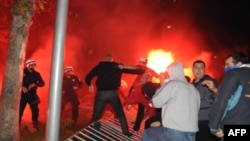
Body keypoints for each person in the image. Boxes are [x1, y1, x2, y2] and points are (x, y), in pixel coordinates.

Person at [84, 54, 144, 137]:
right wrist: (141, 69)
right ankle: (126, 132)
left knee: (96, 115)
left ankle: (94, 135)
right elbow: (134, 71)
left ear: (104, 59)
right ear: (112, 60)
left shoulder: (98, 67)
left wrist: (90, 85)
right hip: (113, 93)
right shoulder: (116, 67)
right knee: (120, 113)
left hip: (101, 93)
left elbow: (87, 78)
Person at [142, 62, 200, 141]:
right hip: (191, 133)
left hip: (174, 131)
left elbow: (156, 102)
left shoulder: (173, 85)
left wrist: (162, 82)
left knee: (148, 134)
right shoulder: (194, 89)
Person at [204, 52, 250, 139]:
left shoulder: (235, 73)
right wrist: (215, 90)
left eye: (227, 64)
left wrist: (214, 127)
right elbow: (238, 96)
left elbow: (223, 99)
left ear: (239, 64)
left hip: (234, 125)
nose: (225, 68)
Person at [124, 57, 160, 132]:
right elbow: (159, 77)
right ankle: (136, 127)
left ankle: (129, 105)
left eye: (140, 62)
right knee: (141, 109)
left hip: (138, 90)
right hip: (145, 92)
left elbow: (132, 67)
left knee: (126, 102)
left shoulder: (141, 67)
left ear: (142, 62)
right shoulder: (151, 70)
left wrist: (123, 66)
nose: (139, 63)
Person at [192, 60, 220, 141]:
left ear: (204, 70)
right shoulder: (191, 84)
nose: (198, 70)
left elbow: (213, 99)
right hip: (193, 122)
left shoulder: (210, 81)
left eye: (201, 68)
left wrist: (192, 104)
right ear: (192, 70)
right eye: (196, 68)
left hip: (206, 121)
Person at [20, 59, 45, 129]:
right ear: (27, 65)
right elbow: (15, 82)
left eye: (33, 64)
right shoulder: (21, 72)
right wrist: (22, 87)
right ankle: (16, 126)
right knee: (20, 110)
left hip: (32, 95)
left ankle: (35, 124)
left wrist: (35, 84)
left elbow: (42, 83)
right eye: (31, 64)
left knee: (35, 110)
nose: (32, 66)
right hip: (23, 95)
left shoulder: (36, 74)